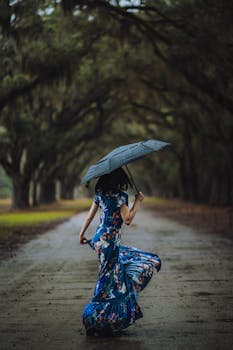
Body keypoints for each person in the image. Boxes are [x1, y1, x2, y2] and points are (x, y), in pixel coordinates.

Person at [79, 167, 161, 336]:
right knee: (108, 279)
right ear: (118, 180)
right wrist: (138, 201)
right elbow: (128, 219)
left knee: (109, 277)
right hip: (110, 243)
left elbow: (89, 217)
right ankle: (94, 319)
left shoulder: (100, 195)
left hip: (99, 240)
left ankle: (104, 319)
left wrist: (82, 234)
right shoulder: (120, 197)